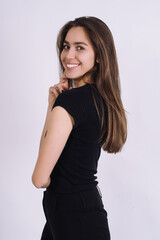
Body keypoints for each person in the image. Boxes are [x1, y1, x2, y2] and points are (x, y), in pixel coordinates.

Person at [32, 16, 127, 240]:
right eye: (66, 46)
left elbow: (40, 178)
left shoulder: (72, 102)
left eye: (80, 48)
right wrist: (52, 106)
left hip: (72, 216)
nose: (68, 55)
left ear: (99, 56)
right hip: (78, 213)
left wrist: (54, 107)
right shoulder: (101, 99)